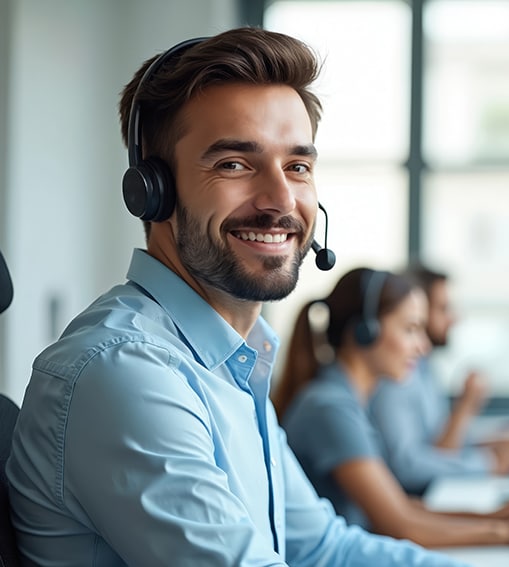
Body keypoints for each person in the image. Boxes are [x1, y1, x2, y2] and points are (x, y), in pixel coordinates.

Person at [5, 28, 469, 567]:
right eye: (233, 164)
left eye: (297, 167)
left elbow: (323, 548)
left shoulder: (234, 364)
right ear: (151, 190)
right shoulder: (126, 371)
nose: (280, 200)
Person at [272, 267, 509, 548]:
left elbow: (403, 507)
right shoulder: (330, 407)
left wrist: (499, 517)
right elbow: (399, 525)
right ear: (366, 332)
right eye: (410, 329)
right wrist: (508, 533)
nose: (423, 346)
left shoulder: (348, 401)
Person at [369, 263, 509, 495]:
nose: (454, 319)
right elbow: (410, 466)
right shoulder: (395, 376)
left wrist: (488, 446)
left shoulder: (423, 368)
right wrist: (488, 461)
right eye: (444, 309)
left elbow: (439, 443)